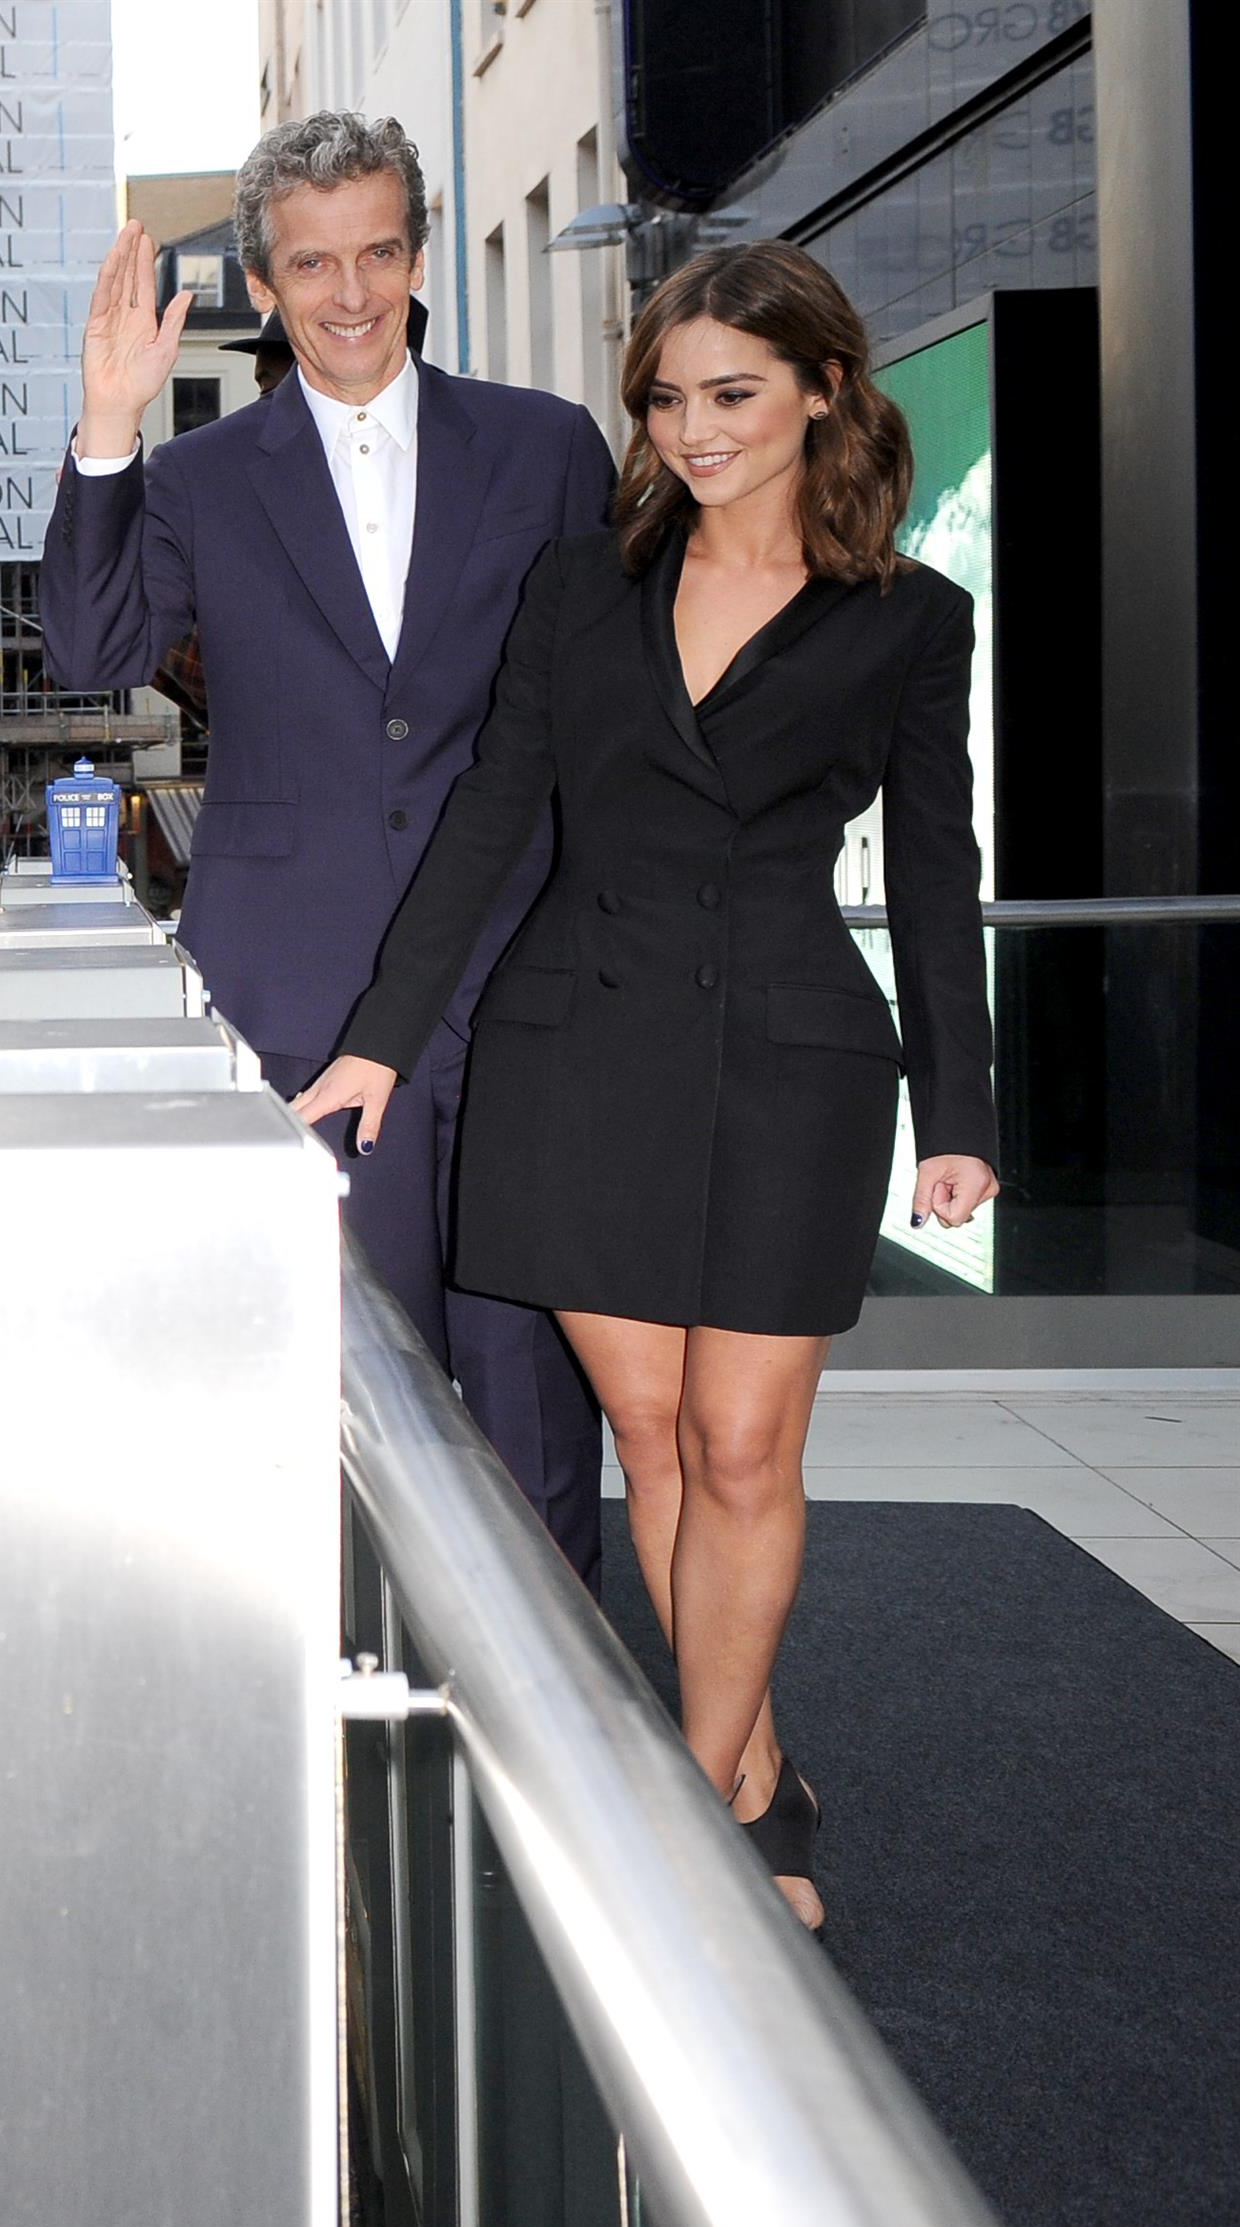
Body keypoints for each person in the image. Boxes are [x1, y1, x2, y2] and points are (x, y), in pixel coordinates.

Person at [294, 239, 995, 1934]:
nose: (694, 428)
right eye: (668, 398)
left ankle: (687, 1828)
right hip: (577, 1043)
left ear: (826, 388)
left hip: (792, 1060)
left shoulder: (910, 618)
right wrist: (382, 1030)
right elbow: (488, 817)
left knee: (746, 1445)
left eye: (732, 393)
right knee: (658, 1438)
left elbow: (933, 867)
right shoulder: (579, 589)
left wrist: (963, 1111)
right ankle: (749, 1771)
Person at [42, 110, 616, 1587]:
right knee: (327, 1392)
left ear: (419, 255)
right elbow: (90, 648)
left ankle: (539, 1769)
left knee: (534, 1404)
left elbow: (605, 715)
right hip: (295, 1005)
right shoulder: (201, 477)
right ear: (264, 278)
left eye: (376, 252)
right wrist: (109, 426)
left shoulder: (548, 449)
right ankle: (342, 1724)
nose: (349, 292)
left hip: (514, 998)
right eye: (312, 263)